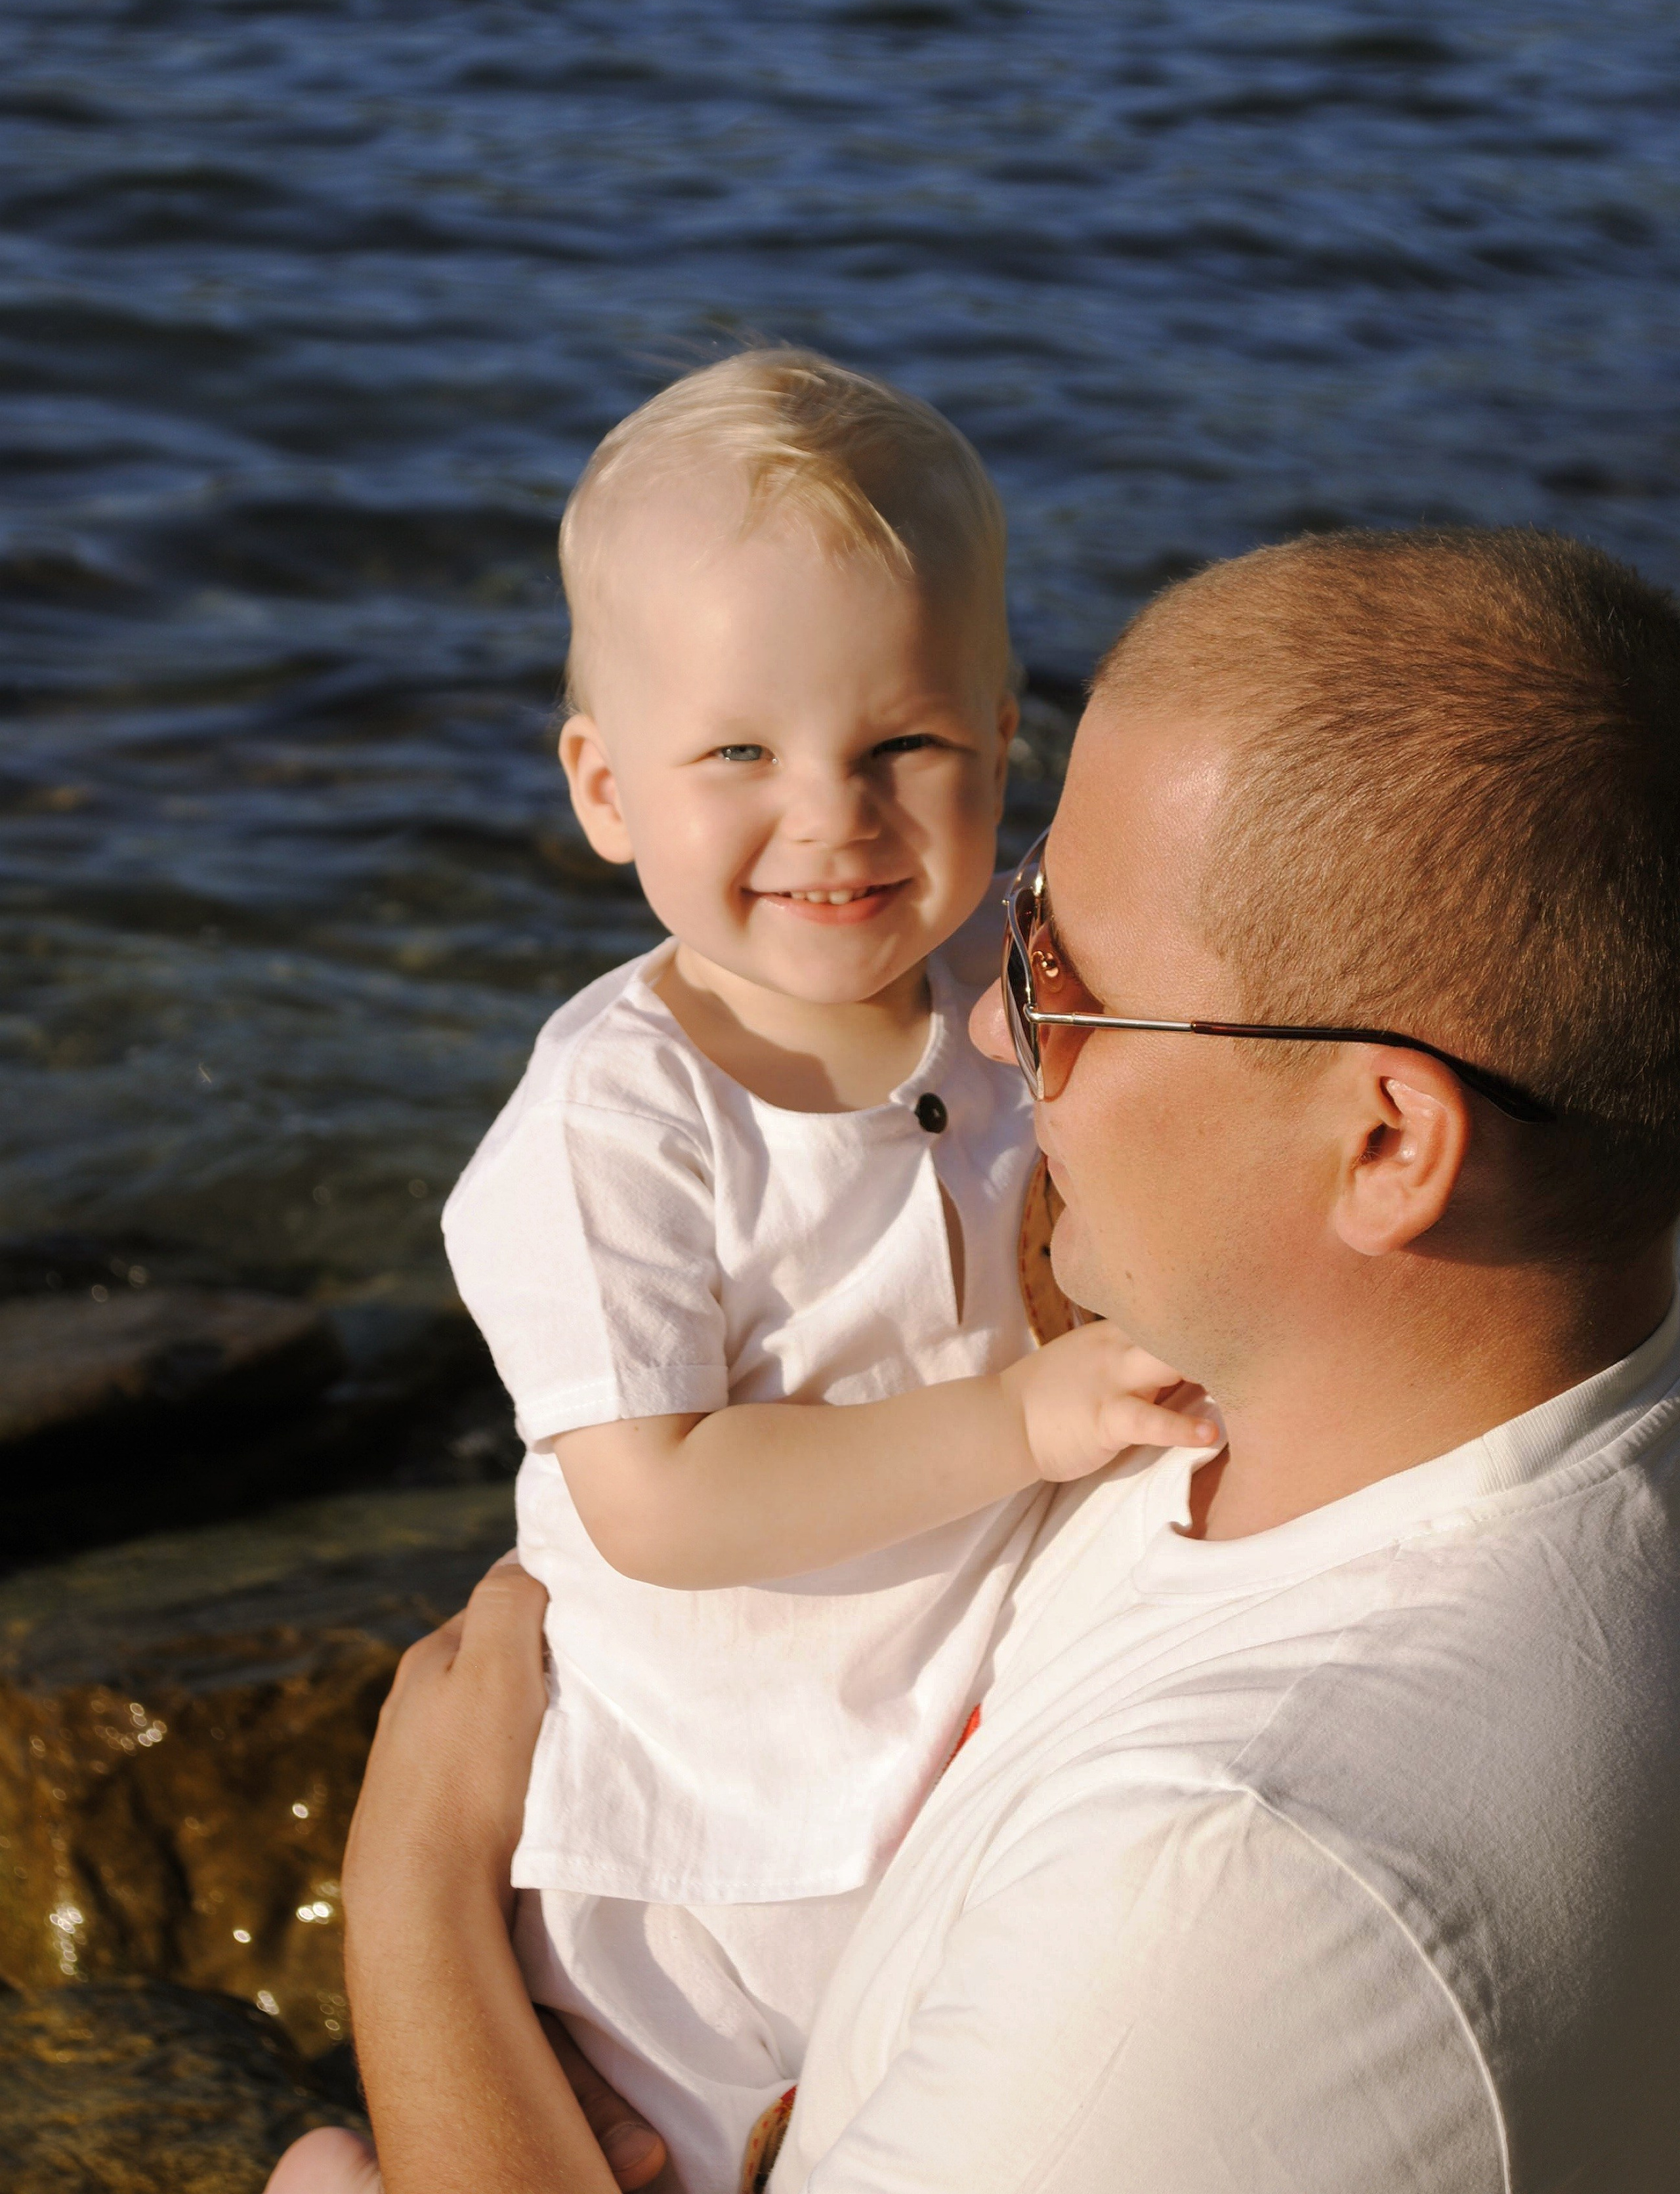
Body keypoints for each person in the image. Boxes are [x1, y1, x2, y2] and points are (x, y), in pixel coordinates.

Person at [282, 524, 1680, 2192]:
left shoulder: (1227, 1896)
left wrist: (415, 1888)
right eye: (1016, 916)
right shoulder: (1429, 1396)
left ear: (1387, 1147)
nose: (993, 1027)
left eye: (1064, 975)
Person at [268, 351, 1212, 2194]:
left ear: (1005, 743)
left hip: (920, 1764)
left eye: (901, 748)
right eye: (738, 756)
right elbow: (659, 1500)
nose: (833, 816)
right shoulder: (617, 1121)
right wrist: (1020, 1415)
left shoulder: (1001, 993)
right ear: (606, 788)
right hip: (689, 1848)